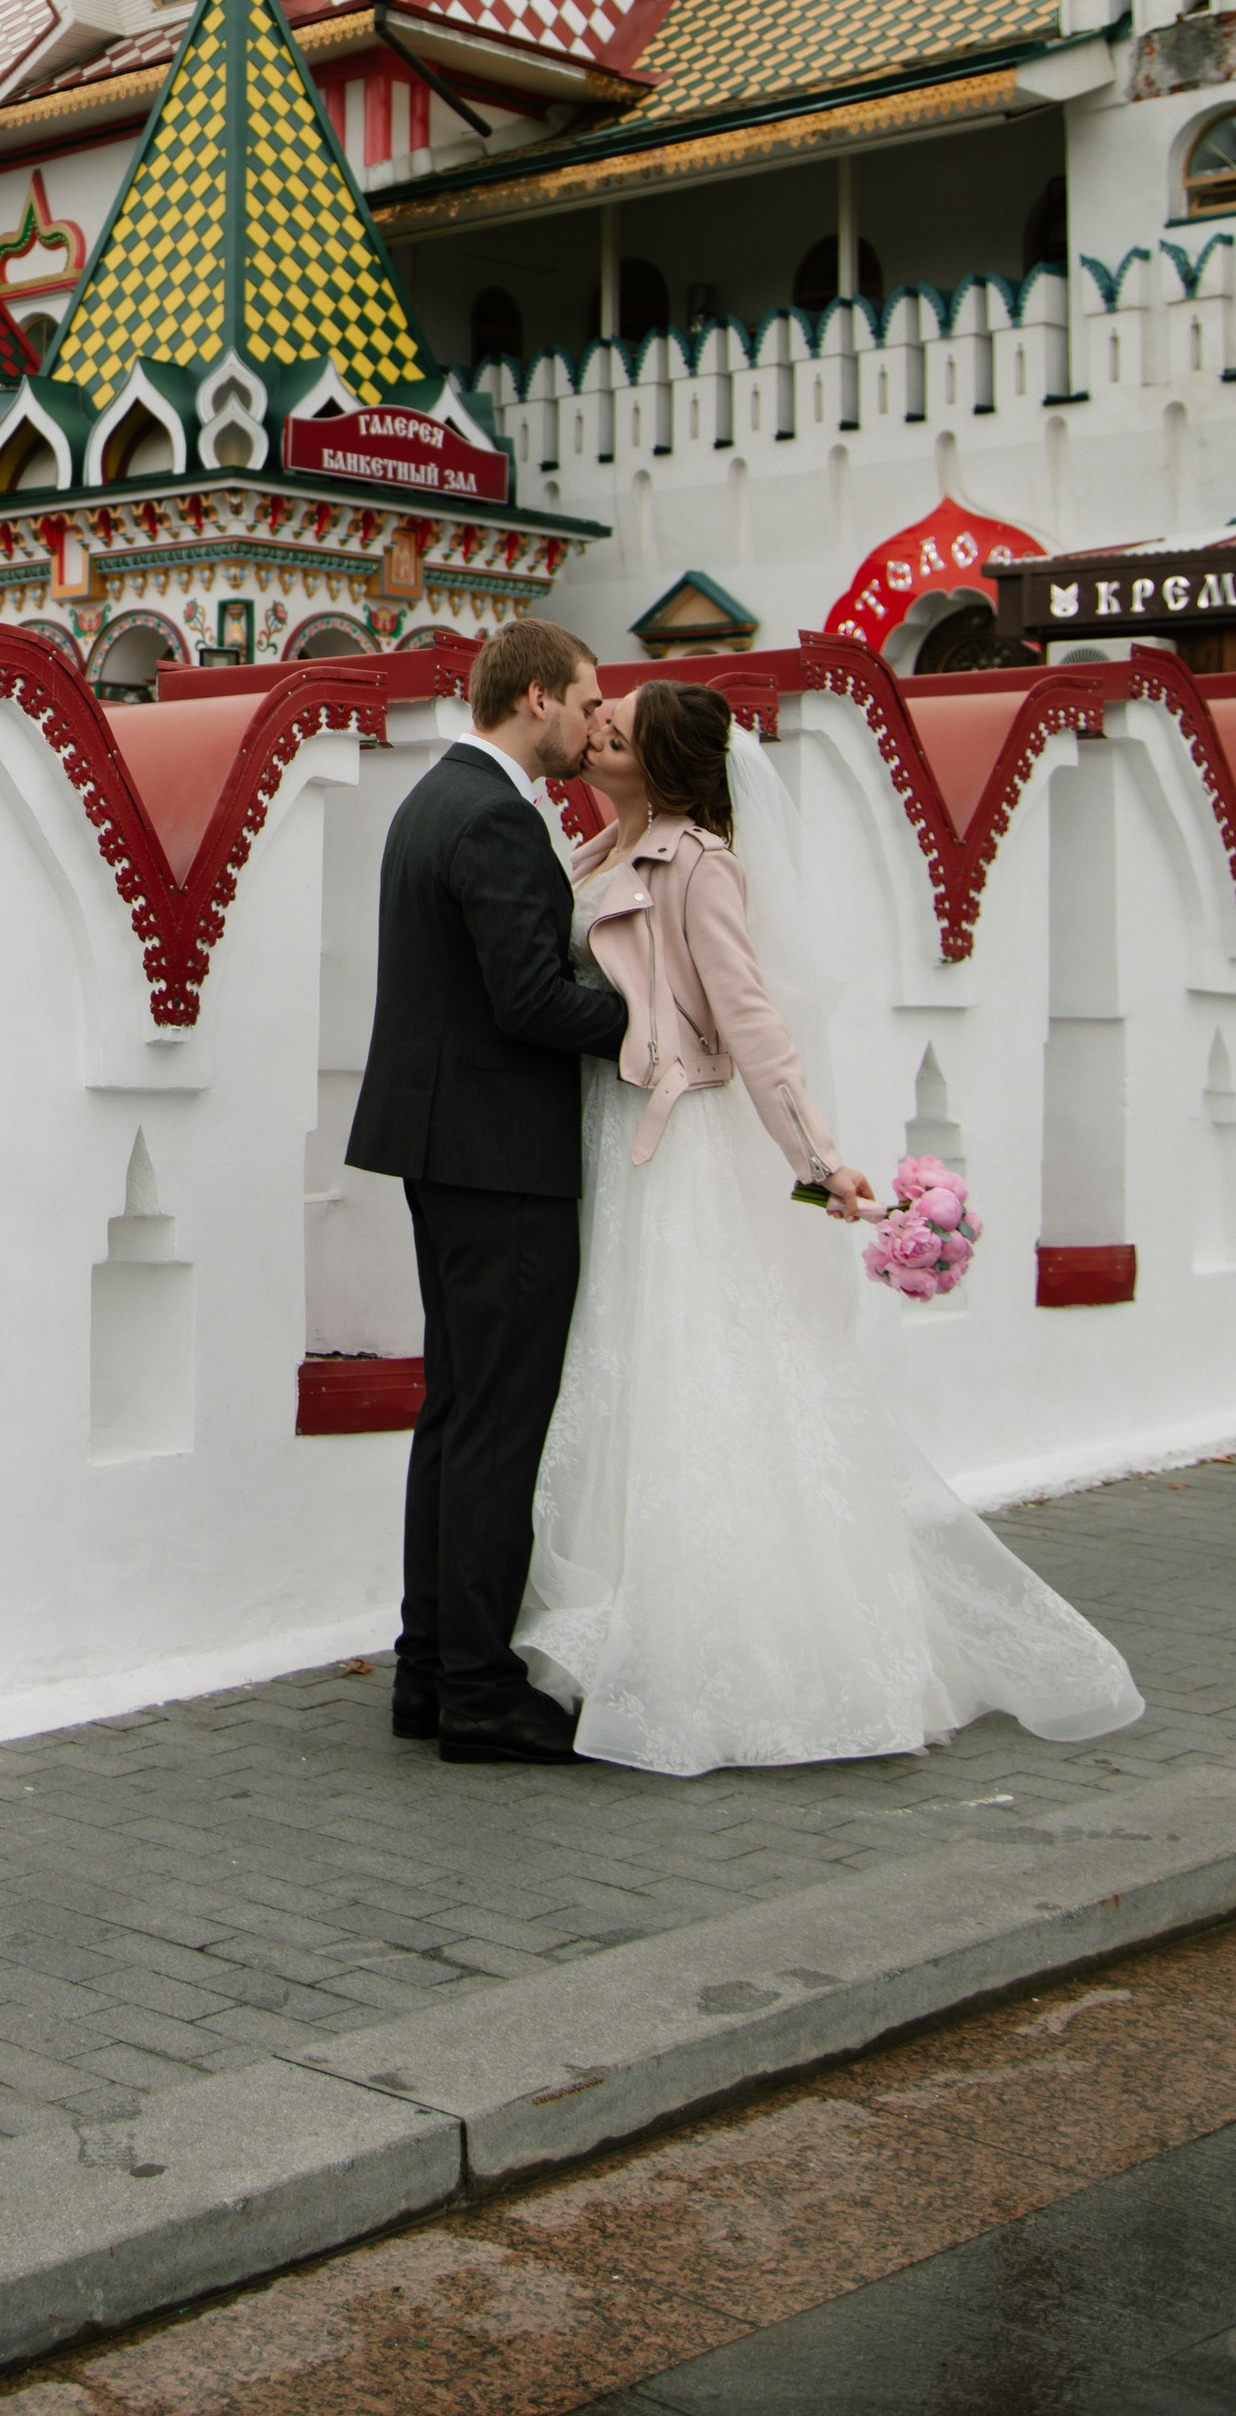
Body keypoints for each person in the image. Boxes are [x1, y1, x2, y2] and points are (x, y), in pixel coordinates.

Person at [519, 679, 1144, 1775]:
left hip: (689, 1148)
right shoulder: (588, 854)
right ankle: (624, 1621)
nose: (595, 732)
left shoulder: (697, 863)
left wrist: (818, 1166)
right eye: (598, 721)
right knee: (626, 1370)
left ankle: (732, 1651)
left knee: (695, 1369)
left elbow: (754, 1022)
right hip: (612, 1144)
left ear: (662, 764)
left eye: (615, 731)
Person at [346, 619, 632, 1765]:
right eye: (584, 699)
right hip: (500, 1160)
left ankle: (428, 1669)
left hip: (442, 1149)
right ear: (534, 701)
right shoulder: (500, 818)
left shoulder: (433, 800)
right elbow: (531, 1005)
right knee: (498, 1424)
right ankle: (475, 1685)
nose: (590, 720)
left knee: (457, 1415)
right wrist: (653, 1018)